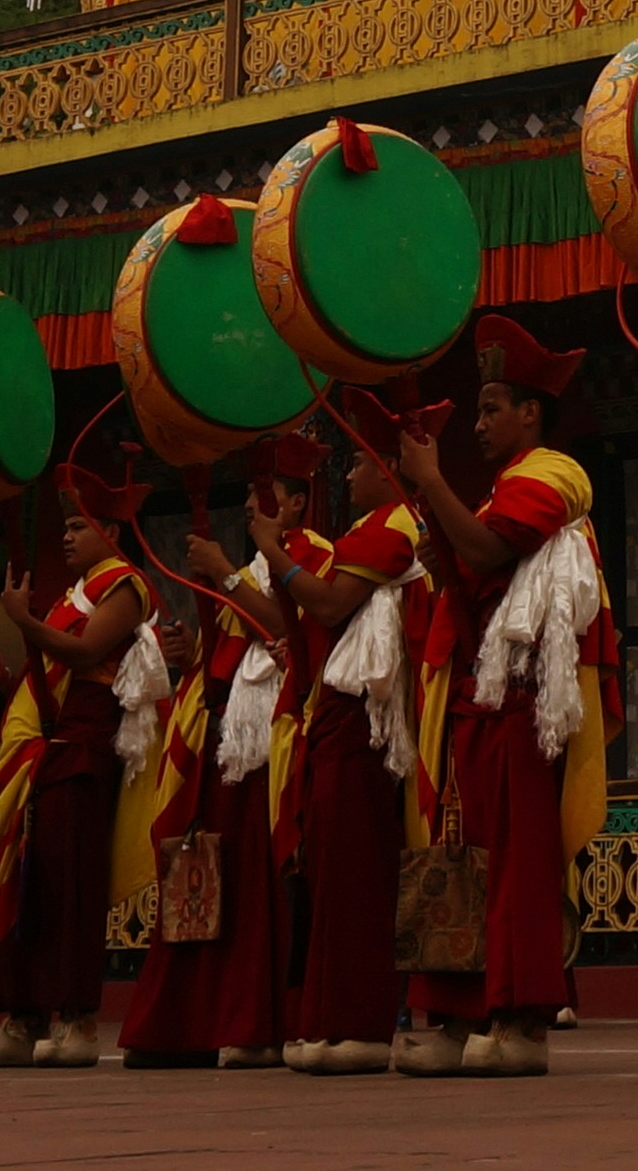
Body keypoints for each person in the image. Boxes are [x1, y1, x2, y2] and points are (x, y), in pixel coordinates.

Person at [389, 315, 609, 1079]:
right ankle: (455, 1014)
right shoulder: (498, 490)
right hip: (475, 697)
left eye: (490, 409)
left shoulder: (552, 475)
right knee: (465, 853)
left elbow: (487, 553)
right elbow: (469, 580)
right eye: (476, 411)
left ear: (531, 415)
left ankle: (519, 1022)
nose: (478, 424)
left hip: (521, 701)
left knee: (516, 862)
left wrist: (431, 484)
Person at [121, 441, 313, 1069]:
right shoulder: (253, 568)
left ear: (295, 506)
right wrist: (184, 657)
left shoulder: (310, 558)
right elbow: (222, 649)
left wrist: (227, 571)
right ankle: (186, 1023)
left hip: (269, 740)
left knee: (256, 886)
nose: (256, 512)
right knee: (203, 880)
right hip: (220, 732)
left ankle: (254, 1020)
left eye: (268, 499)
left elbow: (286, 627)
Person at [0, 458, 150, 1072]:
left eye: (78, 526)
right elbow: (48, 684)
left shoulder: (123, 585)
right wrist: (6, 685)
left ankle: (78, 1020)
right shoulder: (71, 594)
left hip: (83, 753)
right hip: (47, 752)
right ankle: (21, 1020)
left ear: (112, 534)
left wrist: (22, 620)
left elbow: (87, 651)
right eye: (65, 527)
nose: (66, 536)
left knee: (72, 889)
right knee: (32, 888)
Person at [265, 417, 425, 1076]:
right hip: (334, 712)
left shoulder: (395, 527)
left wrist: (269, 553)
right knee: (331, 869)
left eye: (359, 464)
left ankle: (360, 1021)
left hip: (367, 719)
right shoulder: (362, 533)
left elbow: (329, 607)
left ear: (387, 467)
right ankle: (326, 1020)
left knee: (359, 870)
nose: (348, 475)